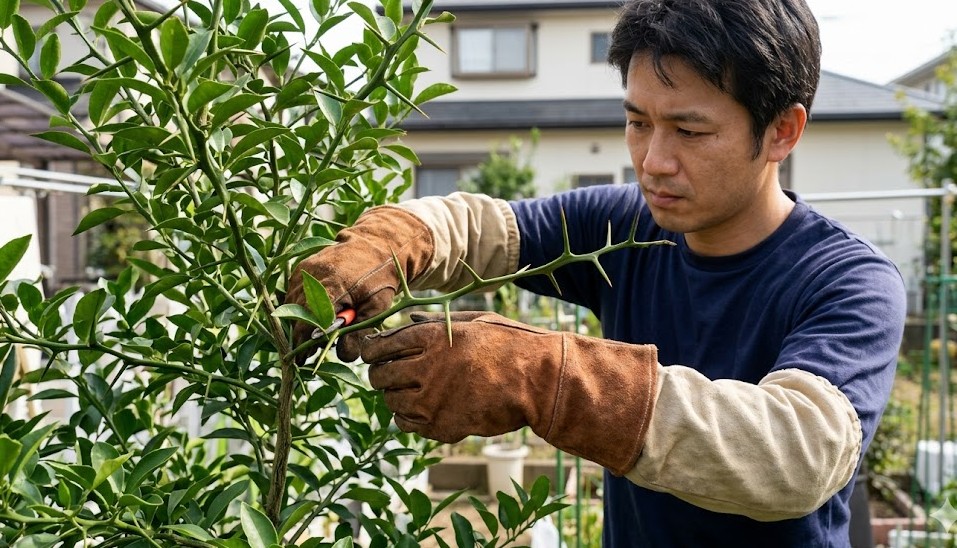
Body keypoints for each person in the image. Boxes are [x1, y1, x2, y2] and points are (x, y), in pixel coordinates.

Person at [285, 0, 907, 544]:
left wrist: (546, 376)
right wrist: (393, 242)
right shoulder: (626, 226)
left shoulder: (848, 281)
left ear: (782, 132)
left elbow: (799, 457)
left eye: (689, 130)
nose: (654, 161)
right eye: (638, 123)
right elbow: (484, 229)